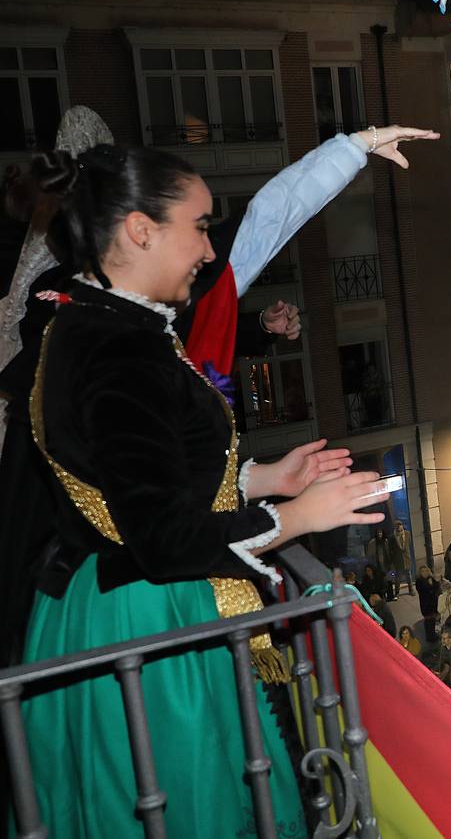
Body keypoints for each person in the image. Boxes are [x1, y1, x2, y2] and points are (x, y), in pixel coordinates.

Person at [16, 140, 402, 834]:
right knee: (194, 804)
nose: (205, 249)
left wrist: (265, 477)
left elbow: (144, 472)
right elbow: (162, 537)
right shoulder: (116, 348)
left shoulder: (106, 324)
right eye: (197, 226)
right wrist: (297, 519)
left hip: (119, 606)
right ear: (141, 230)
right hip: (145, 617)